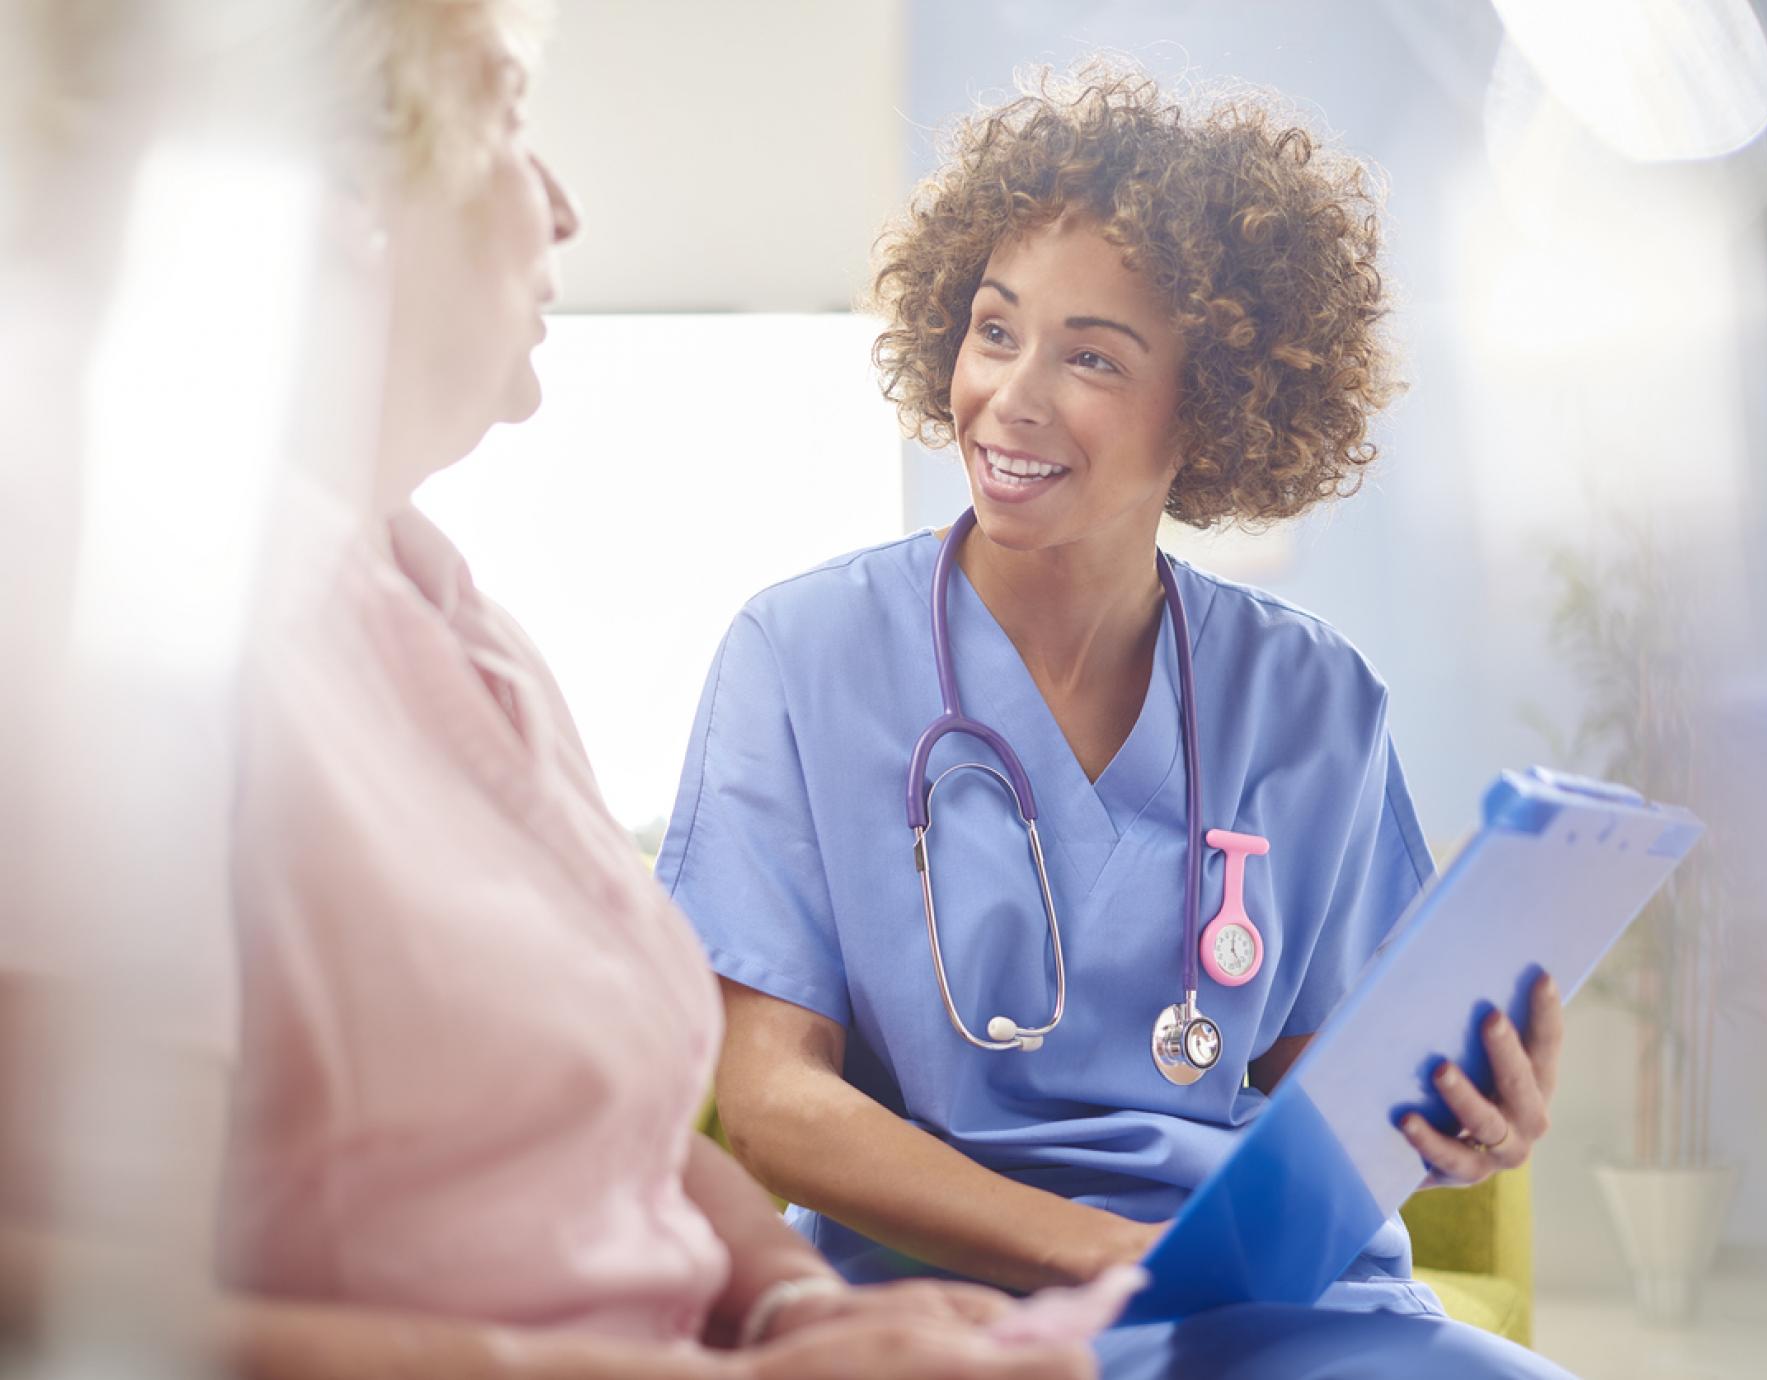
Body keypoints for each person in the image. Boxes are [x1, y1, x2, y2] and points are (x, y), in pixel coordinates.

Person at [0, 3, 1099, 1378]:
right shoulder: (93, 607)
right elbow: (54, 1307)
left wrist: (792, 1305)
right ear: (333, 182)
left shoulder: (454, 623)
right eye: (512, 122)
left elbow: (620, 1133)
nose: (566, 207)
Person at [659, 67, 1575, 1378]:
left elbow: (1345, 1101)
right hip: (957, 1306)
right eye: (994, 330)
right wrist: (1100, 1250)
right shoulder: (803, 656)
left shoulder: (1312, 698)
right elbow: (772, 1104)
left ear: (1209, 407)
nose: (1013, 398)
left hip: (1275, 1309)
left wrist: (1463, 1118)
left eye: (1091, 355)